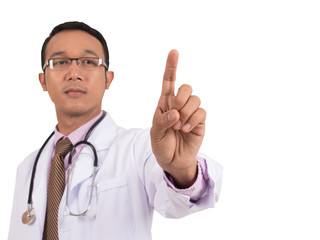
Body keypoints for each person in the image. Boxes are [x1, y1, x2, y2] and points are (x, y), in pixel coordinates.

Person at [8, 21, 222, 239]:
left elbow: (176, 203)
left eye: (88, 61)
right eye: (60, 61)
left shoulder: (139, 147)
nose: (74, 73)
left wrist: (182, 169)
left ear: (108, 79)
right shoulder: (28, 167)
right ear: (43, 80)